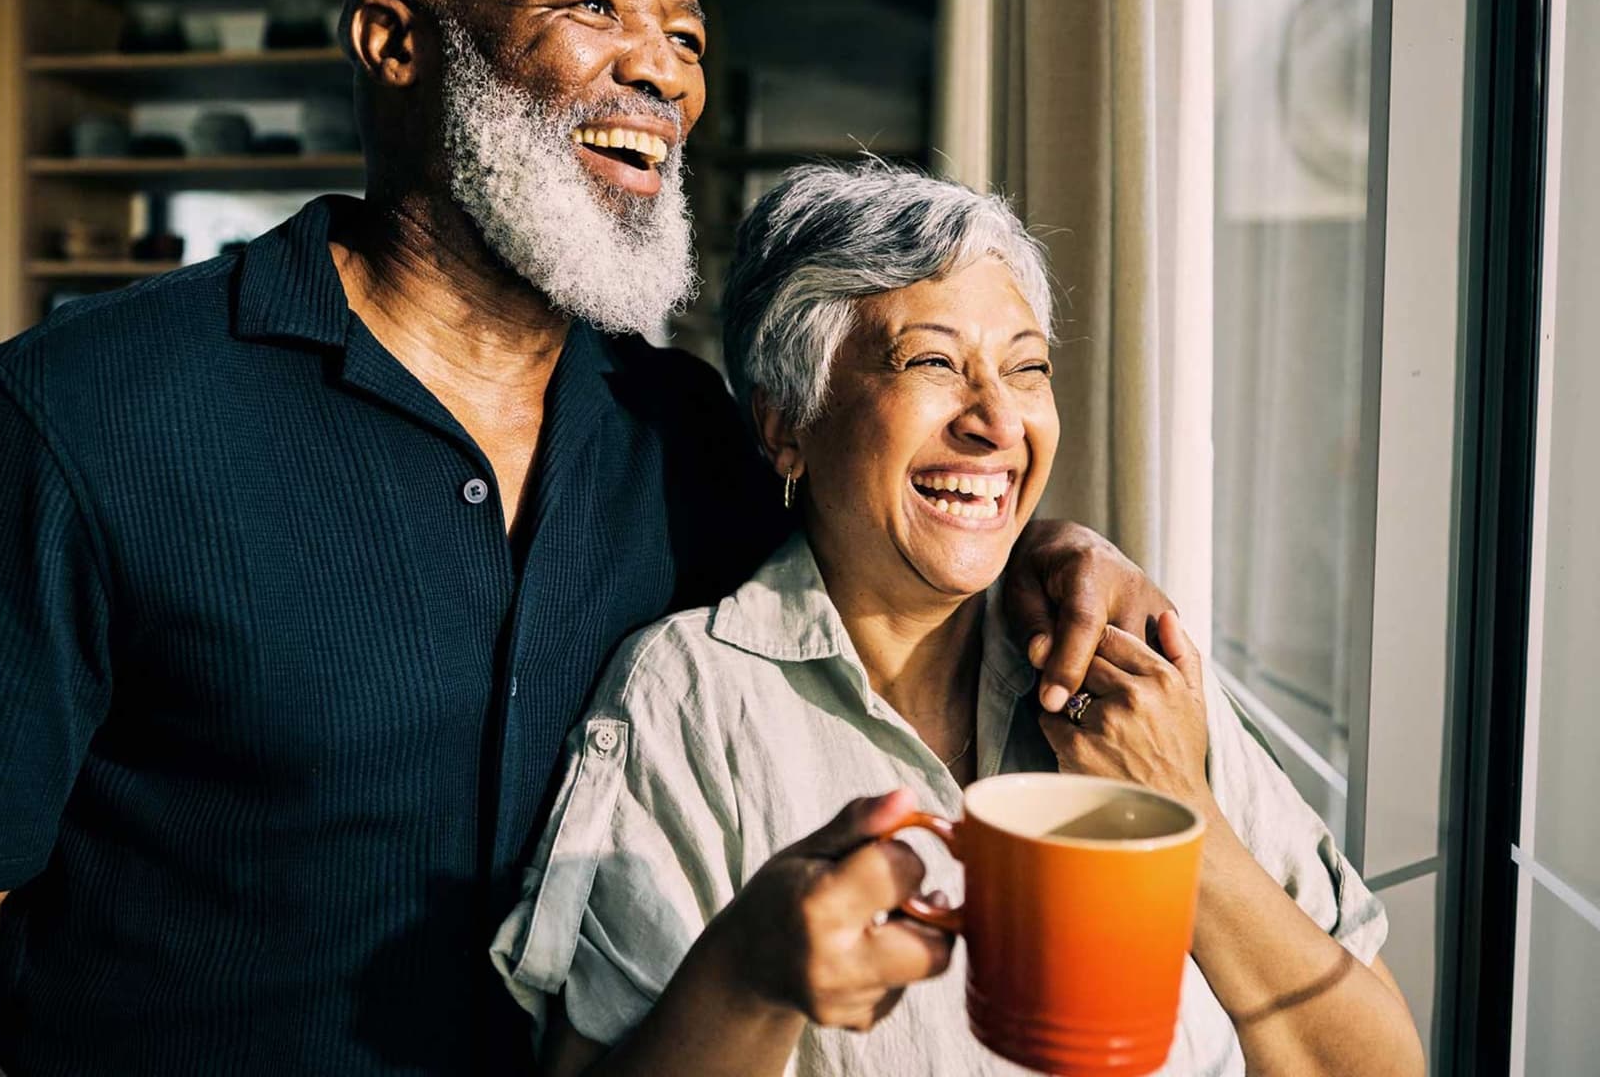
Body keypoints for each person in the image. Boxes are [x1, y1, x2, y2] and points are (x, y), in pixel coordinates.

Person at [0, 0, 1166, 1076]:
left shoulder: (688, 436)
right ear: (396, 44)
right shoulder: (79, 416)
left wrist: (1057, 554)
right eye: (593, 6)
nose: (661, 69)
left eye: (685, 34)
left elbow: (888, 562)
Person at [495, 164, 1425, 1076]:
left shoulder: (1137, 667)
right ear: (786, 425)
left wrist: (1186, 818)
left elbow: (1380, 1065)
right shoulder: (689, 697)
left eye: (1027, 370)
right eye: (934, 362)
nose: (998, 422)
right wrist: (753, 979)